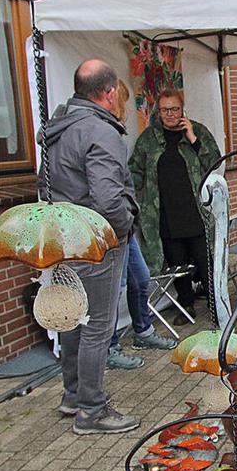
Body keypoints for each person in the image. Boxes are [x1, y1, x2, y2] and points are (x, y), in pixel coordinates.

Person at [39, 60, 140, 434]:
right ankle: (92, 410)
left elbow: (45, 185)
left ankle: (73, 395)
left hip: (64, 237)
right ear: (110, 92)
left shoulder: (59, 127)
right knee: (98, 323)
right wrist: (124, 225)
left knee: (73, 318)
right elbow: (107, 196)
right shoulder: (100, 131)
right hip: (97, 240)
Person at [129, 88, 222, 313]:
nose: (170, 114)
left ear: (182, 109)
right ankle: (186, 303)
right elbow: (135, 172)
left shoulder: (197, 130)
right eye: (164, 110)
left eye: (174, 109)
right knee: (177, 263)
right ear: (158, 112)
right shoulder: (148, 139)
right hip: (165, 213)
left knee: (205, 261)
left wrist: (193, 138)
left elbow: (215, 161)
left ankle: (216, 305)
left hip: (195, 212)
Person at [104, 83, 177, 368]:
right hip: (112, 225)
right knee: (113, 287)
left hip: (125, 223)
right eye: (121, 102)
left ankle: (142, 331)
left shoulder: (111, 130)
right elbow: (107, 187)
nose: (123, 109)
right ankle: (109, 347)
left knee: (140, 277)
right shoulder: (100, 132)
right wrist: (123, 217)